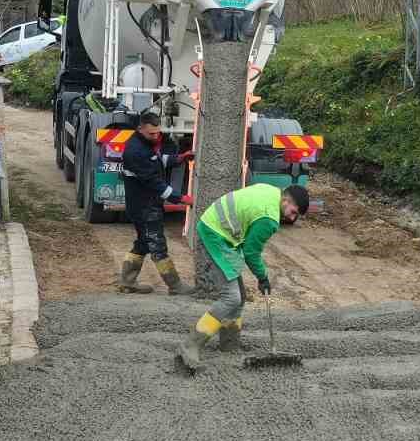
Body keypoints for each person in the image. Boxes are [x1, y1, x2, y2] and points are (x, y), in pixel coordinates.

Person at [181, 183, 311, 371]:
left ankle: (229, 345)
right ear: (286, 200)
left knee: (239, 296)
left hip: (222, 232)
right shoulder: (269, 219)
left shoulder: (272, 192)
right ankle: (191, 345)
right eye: (293, 211)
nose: (293, 217)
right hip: (216, 234)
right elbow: (251, 252)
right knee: (231, 297)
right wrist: (263, 277)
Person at [117, 110, 191, 295]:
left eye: (158, 132)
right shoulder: (135, 151)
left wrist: (179, 158)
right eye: (152, 133)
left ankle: (127, 282)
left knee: (143, 242)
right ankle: (175, 286)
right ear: (140, 128)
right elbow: (153, 181)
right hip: (144, 206)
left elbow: (157, 161)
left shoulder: (144, 143)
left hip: (145, 204)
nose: (156, 136)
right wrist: (179, 197)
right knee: (157, 244)